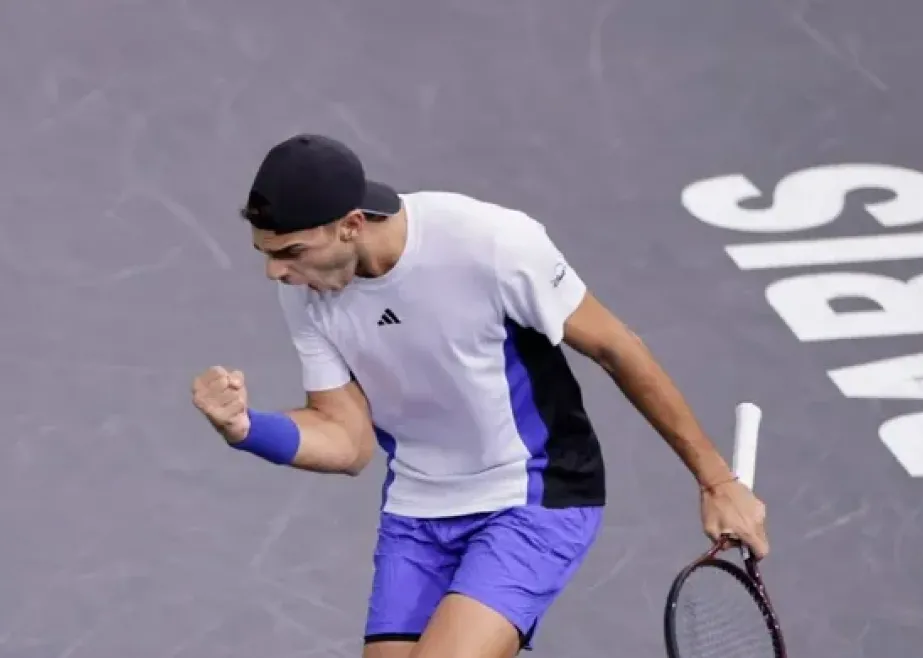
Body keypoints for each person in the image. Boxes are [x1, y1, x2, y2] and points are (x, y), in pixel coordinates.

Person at [190, 133, 769, 658]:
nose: (275, 273)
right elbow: (346, 440)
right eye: (266, 254)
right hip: (419, 508)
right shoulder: (307, 286)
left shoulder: (488, 244)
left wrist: (716, 481)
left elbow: (617, 348)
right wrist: (246, 428)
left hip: (534, 490)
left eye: (289, 253)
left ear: (350, 225)